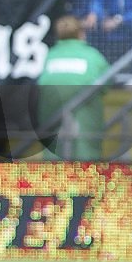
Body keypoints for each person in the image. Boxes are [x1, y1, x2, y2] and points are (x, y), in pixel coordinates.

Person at [37, 15, 111, 159]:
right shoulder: (92, 55)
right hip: (85, 104)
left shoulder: (50, 55)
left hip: (51, 101)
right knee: (86, 142)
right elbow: (107, 82)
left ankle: (52, 177)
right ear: (81, 33)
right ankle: (86, 176)